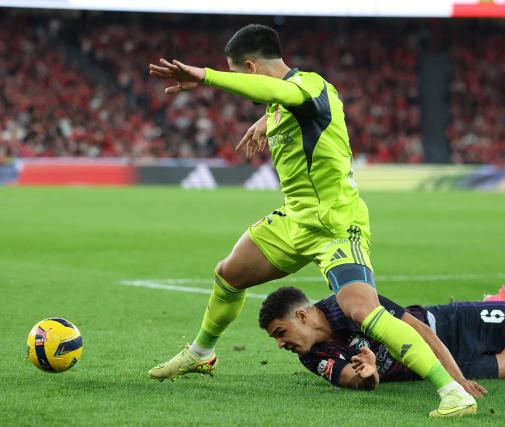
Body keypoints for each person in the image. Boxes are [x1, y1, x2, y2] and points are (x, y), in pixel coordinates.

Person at [148, 24, 477, 417]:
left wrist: (206, 76)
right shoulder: (286, 102)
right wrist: (266, 120)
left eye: (238, 73)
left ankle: (454, 394)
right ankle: (201, 353)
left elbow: (283, 92)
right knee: (229, 274)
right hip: (296, 220)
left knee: (363, 312)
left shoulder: (308, 86)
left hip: (336, 224)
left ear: (250, 68)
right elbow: (284, 103)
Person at [258, 285, 505, 389]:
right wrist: (368, 374)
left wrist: (454, 378)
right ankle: (498, 307)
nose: (280, 344)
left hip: (447, 327)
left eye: (280, 333)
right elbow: (350, 378)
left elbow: (418, 330)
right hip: (434, 366)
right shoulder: (311, 355)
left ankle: (494, 305)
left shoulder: (349, 301)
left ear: (301, 316)